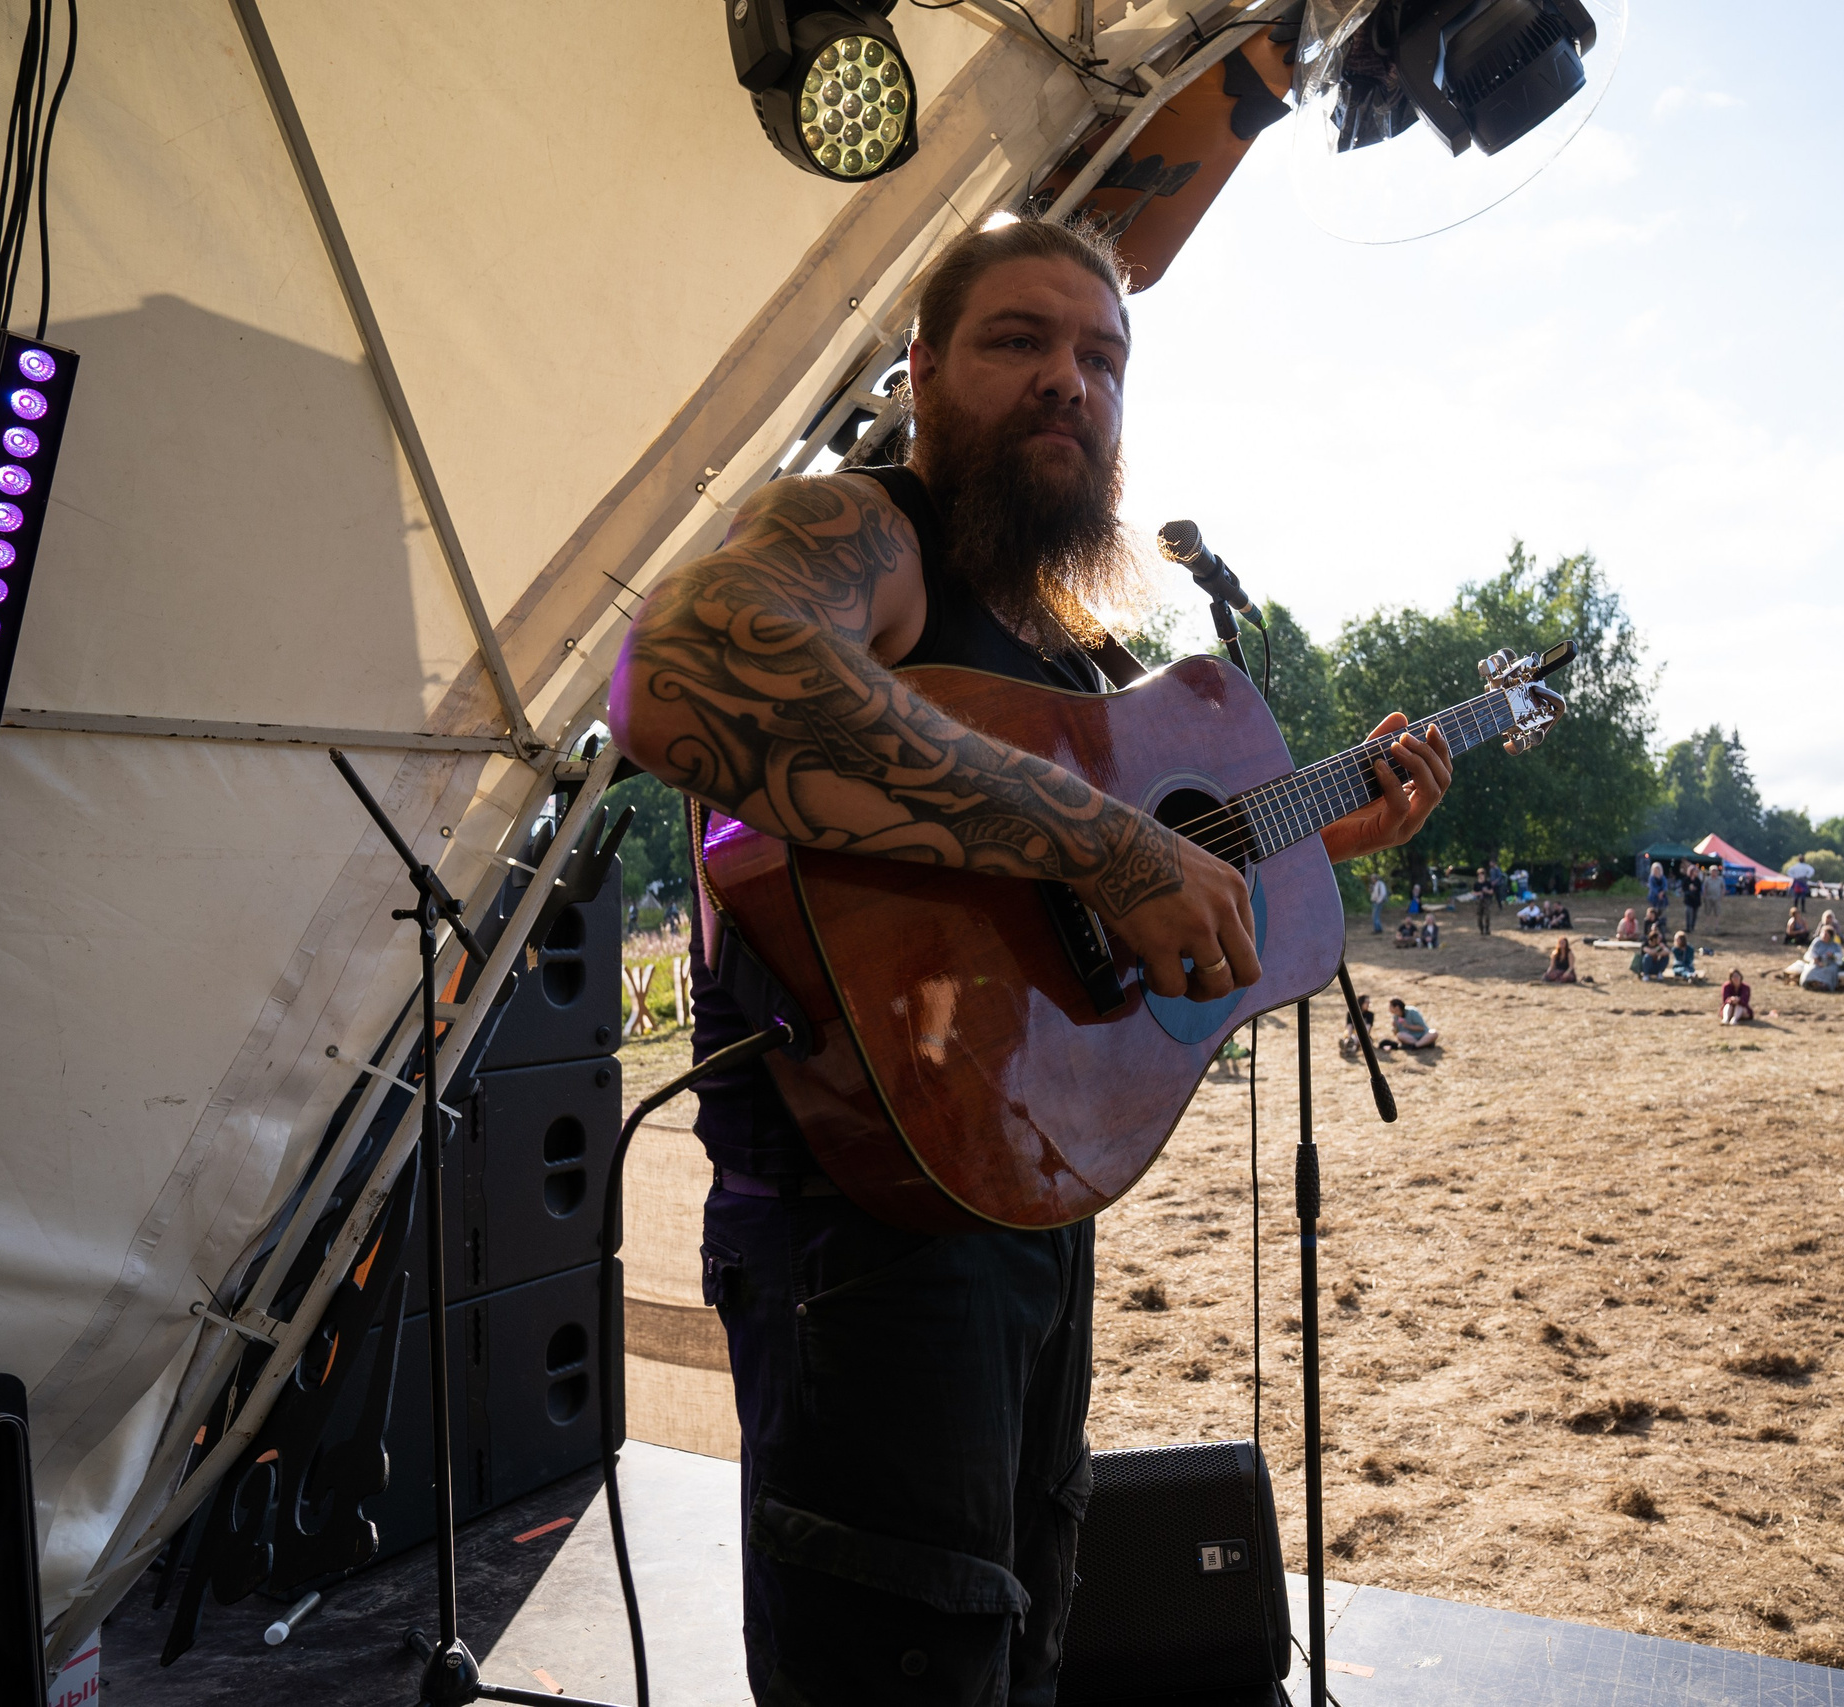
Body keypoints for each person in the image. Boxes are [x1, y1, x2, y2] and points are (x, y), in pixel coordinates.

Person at [604, 215, 1458, 1706]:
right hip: (856, 1234)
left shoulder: (1062, 651)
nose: (1070, 380)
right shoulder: (866, 533)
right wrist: (1109, 848)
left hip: (1028, 1204)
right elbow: (678, 674)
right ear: (923, 369)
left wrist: (1325, 836)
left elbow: (1108, 884)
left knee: (1017, 1645)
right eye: (1019, 341)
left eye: (1104, 358)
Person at [1681, 864, 1705, 937]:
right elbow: (1683, 888)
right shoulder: (1686, 879)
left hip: (1696, 900)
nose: (1696, 873)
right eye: (1695, 871)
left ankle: (1692, 927)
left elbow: (1700, 889)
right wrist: (1689, 889)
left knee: (1694, 915)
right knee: (1688, 912)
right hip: (1688, 899)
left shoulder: (1697, 880)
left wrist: (1695, 889)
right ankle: (1688, 927)